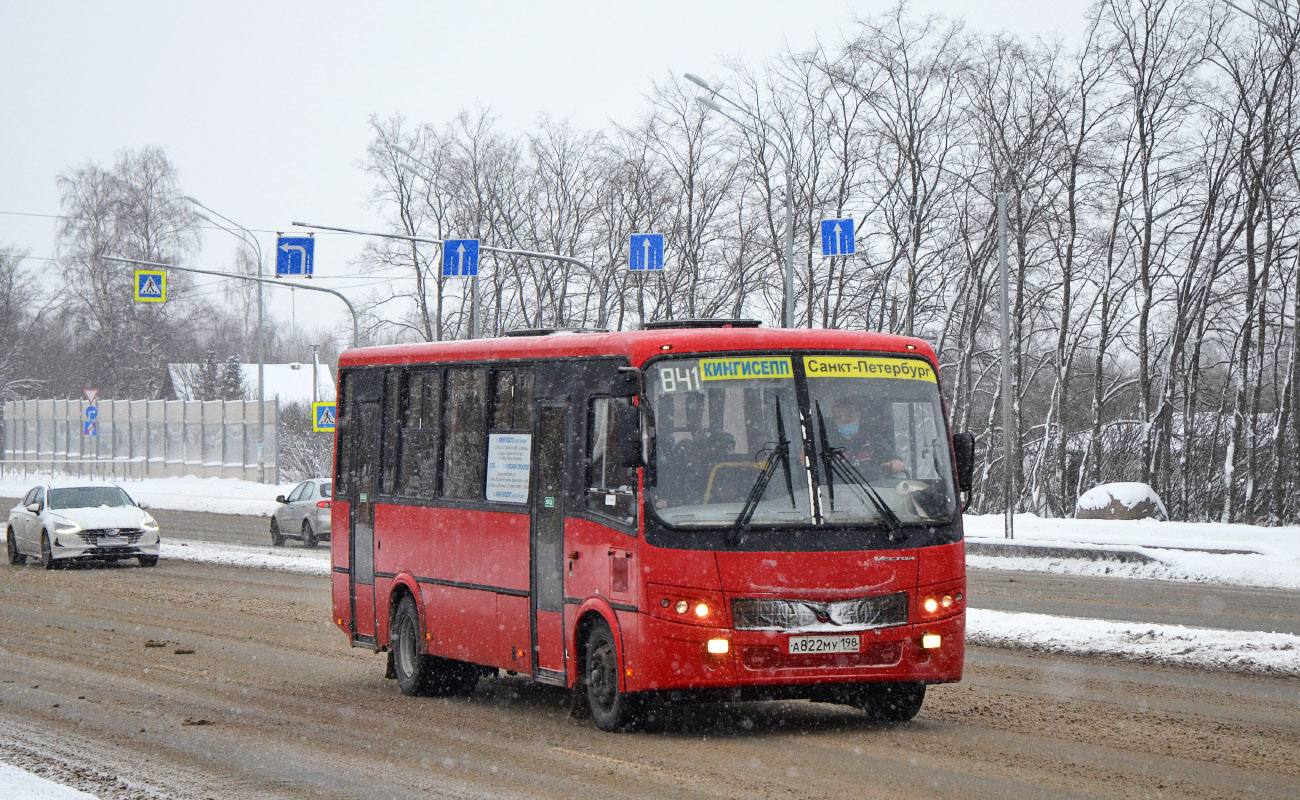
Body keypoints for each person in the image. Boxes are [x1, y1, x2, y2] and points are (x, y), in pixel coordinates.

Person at [829, 396, 906, 478]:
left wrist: (896, 463)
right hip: (837, 490)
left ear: (858, 415)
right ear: (834, 420)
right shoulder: (828, 445)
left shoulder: (874, 440)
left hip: (874, 489)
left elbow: (893, 459)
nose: (845, 419)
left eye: (849, 414)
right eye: (839, 417)